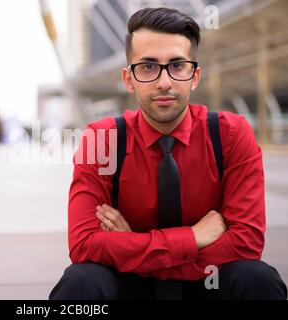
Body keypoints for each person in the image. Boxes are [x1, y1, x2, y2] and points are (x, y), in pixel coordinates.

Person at [49, 7, 287, 300]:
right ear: (128, 79)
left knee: (257, 279)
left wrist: (134, 246)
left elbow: (246, 243)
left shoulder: (231, 134)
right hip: (129, 286)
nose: (164, 82)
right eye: (148, 67)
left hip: (206, 281)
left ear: (194, 76)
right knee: (81, 281)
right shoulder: (103, 139)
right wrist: (192, 238)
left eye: (177, 66)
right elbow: (84, 244)